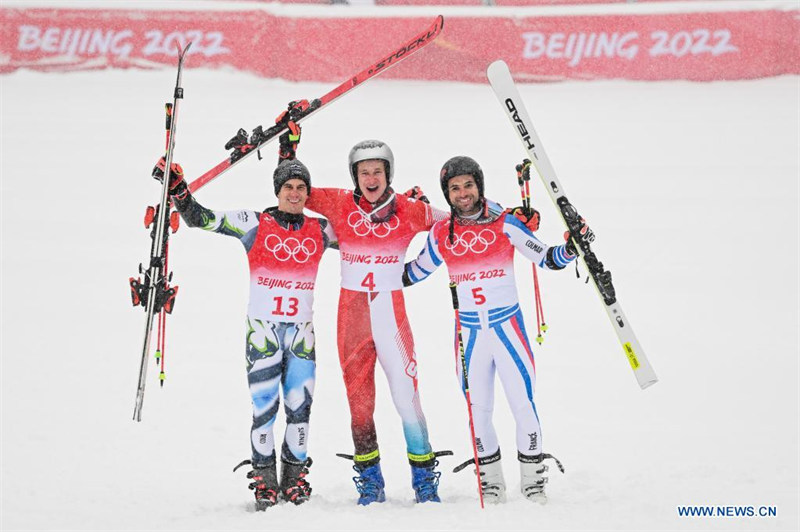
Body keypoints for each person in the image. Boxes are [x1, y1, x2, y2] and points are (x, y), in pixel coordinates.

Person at [151, 153, 336, 511]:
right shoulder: (253, 223)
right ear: (277, 190)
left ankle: (295, 479)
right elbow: (200, 219)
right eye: (288, 187)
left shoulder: (321, 229)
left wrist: (403, 206)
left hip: (301, 336)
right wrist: (179, 191)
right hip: (262, 335)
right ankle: (265, 482)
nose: (294, 194)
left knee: (301, 409)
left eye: (301, 188)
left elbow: (366, 237)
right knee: (264, 409)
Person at [403, 156, 591, 504]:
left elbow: (547, 258)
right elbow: (414, 272)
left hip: (508, 328)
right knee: (479, 411)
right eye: (455, 188)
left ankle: (533, 481)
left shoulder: (506, 223)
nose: (463, 193)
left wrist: (572, 246)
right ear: (447, 193)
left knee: (522, 404)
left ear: (479, 186)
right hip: (470, 334)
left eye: (468, 185)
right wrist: (373, 259)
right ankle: (490, 483)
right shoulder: (442, 233)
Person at [297, 134, 449, 504]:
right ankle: (370, 479)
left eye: (377, 171)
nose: (371, 178)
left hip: (389, 313)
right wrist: (289, 148)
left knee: (406, 397)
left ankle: (423, 478)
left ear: (388, 173)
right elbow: (297, 191)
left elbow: (460, 221)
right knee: (359, 402)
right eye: (363, 172)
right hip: (351, 315)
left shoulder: (409, 209)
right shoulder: (337, 202)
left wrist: (509, 217)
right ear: (355, 176)